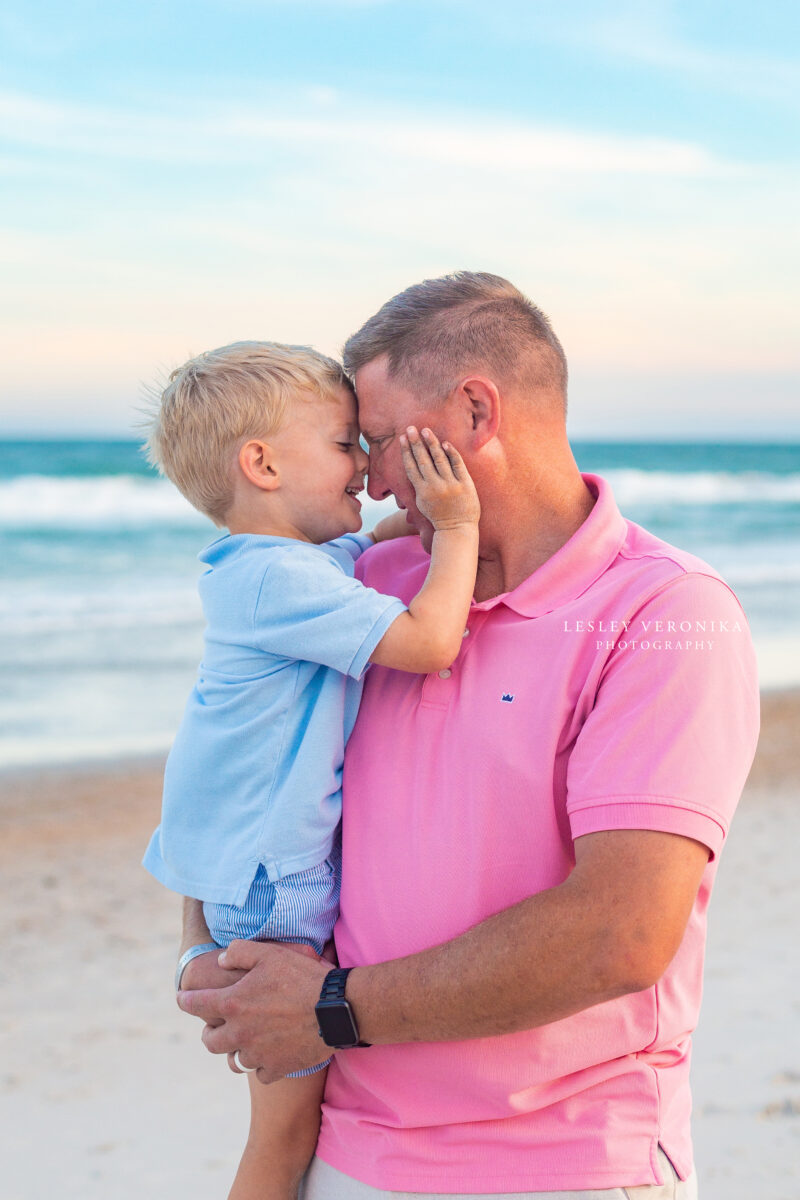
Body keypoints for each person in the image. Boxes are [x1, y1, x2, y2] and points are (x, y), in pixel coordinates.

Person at [176, 277, 760, 1199]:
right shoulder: (367, 583)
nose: (367, 481)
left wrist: (328, 1009)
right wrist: (202, 947)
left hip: (563, 1168)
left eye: (376, 443)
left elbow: (620, 934)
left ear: (475, 411)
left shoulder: (667, 614)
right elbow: (232, 762)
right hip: (349, 1157)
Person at [141, 340, 480, 1200]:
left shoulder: (280, 568)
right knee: (284, 1138)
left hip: (254, 876)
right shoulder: (275, 581)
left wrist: (411, 514)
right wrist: (462, 526)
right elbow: (431, 643)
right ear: (260, 464)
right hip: (273, 893)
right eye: (343, 444)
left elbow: (364, 549)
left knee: (295, 1125)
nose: (364, 467)